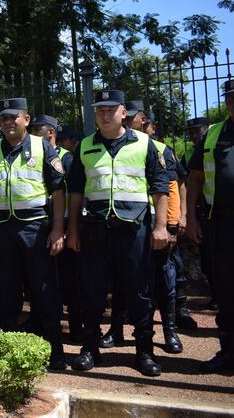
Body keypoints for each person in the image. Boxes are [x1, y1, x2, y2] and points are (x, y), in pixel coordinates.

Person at [67, 89, 169, 377]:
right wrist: (73, 230)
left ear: (124, 113)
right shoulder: (85, 146)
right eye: (100, 109)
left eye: (111, 109)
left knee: (139, 292)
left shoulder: (144, 144)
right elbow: (75, 192)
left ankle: (144, 353)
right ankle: (90, 349)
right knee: (92, 293)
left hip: (133, 230)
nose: (104, 114)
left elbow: (160, 187)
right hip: (96, 231)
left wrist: (161, 227)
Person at [0, 99, 67, 370]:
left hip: (35, 229)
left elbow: (58, 190)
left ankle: (55, 352)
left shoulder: (42, 147)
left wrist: (58, 229)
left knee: (43, 290)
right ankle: (7, 352)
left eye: (14, 117)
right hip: (0, 230)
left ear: (26, 119)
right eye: (4, 118)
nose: (9, 122)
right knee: (4, 291)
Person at [101, 100, 184, 354]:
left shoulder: (159, 148)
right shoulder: (115, 146)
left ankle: (170, 331)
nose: (127, 122)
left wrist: (170, 225)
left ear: (144, 120)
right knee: (123, 280)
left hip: (156, 226)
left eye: (133, 118)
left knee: (163, 279)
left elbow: (172, 187)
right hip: (132, 227)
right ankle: (116, 329)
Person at [186, 79, 234, 373]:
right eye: (229, 98)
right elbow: (194, 178)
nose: (232, 103)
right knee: (225, 290)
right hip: (221, 224)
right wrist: (190, 217)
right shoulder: (213, 134)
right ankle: (228, 352)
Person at [29, 114, 82, 343]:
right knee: (39, 278)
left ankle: (76, 326)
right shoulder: (30, 153)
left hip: (61, 224)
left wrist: (68, 228)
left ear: (51, 132)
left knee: (69, 278)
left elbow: (72, 193)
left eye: (37, 129)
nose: (32, 132)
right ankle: (38, 321)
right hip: (40, 225)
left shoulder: (67, 158)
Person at [182, 116, 216, 313]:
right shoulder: (188, 154)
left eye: (198, 131)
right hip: (203, 210)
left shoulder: (215, 141)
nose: (195, 135)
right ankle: (217, 296)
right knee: (210, 256)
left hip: (217, 208)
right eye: (192, 132)